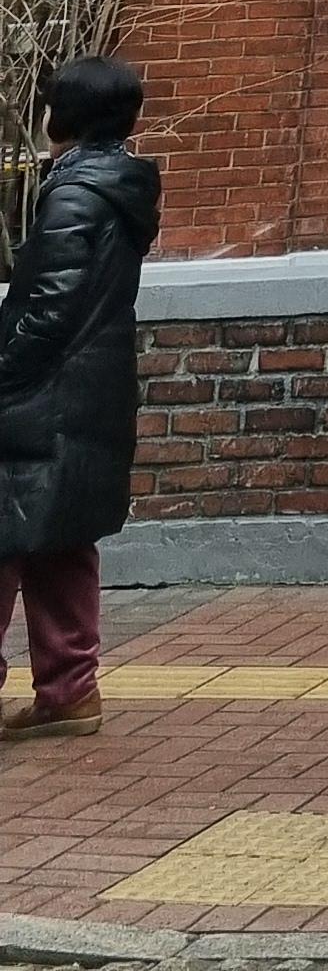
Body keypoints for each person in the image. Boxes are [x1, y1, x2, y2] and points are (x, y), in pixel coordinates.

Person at [0, 56, 162, 739]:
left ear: (62, 116)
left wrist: (4, 374)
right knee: (62, 542)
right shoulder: (120, 188)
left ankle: (66, 693)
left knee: (8, 532)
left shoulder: (73, 194)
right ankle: (69, 692)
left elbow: (49, 310)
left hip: (40, 399)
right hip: (91, 394)